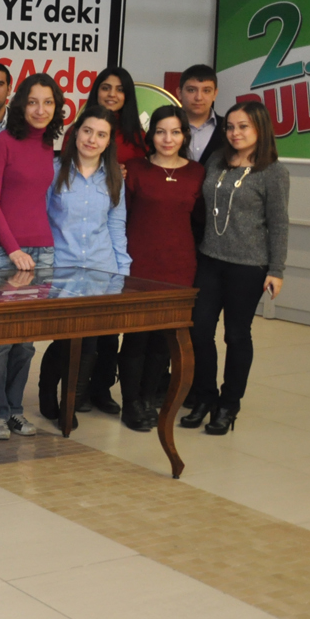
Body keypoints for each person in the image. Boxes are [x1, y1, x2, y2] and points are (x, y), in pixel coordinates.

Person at [182, 100, 289, 436]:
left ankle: (229, 404)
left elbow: (279, 224)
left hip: (248, 266)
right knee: (199, 330)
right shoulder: (217, 159)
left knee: (236, 334)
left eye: (243, 126)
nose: (235, 133)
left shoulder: (273, 172)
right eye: (230, 126)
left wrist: (277, 270)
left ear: (260, 129)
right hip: (210, 259)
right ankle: (205, 397)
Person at [0, 72, 63, 441]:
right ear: (20, 105)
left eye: (48, 102)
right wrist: (13, 249)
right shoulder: (2, 143)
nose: (40, 110)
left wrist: (35, 250)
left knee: (26, 342)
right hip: (1, 251)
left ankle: (15, 409)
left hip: (42, 252)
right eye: (33, 102)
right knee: (0, 341)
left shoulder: (47, 144)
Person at [37, 104, 131, 428]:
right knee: (64, 340)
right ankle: (47, 392)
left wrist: (121, 272)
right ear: (76, 132)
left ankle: (70, 404)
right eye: (87, 131)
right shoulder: (54, 171)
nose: (92, 139)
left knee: (89, 344)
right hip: (61, 269)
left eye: (101, 135)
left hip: (101, 271)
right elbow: (41, 221)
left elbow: (116, 227)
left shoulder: (114, 177)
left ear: (108, 141)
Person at [118, 105, 204, 432]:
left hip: (179, 266)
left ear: (184, 135)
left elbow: (199, 222)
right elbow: (120, 217)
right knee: (136, 338)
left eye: (175, 132)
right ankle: (131, 403)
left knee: (162, 341)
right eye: (160, 132)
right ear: (151, 135)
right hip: (140, 264)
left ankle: (148, 397)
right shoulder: (134, 169)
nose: (168, 139)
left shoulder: (197, 172)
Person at [81, 66, 148, 413]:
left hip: (126, 228)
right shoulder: (81, 129)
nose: (112, 94)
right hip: (89, 235)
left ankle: (102, 388)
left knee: (110, 325)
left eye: (119, 89)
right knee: (81, 328)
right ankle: (75, 389)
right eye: (105, 87)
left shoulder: (138, 138)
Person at [178, 63, 222, 166]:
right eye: (191, 90)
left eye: (206, 91)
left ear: (215, 94)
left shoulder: (229, 128)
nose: (198, 97)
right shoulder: (163, 127)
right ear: (179, 93)